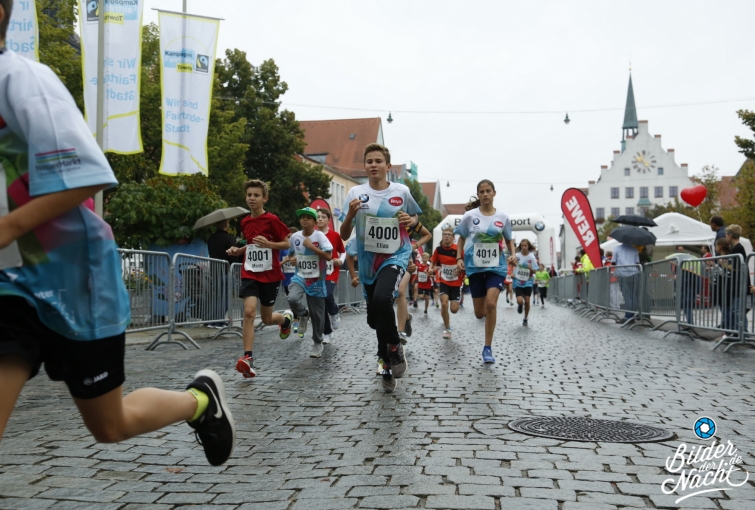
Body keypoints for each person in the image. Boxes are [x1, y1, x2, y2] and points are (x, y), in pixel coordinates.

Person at [0, 3, 235, 466]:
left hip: (75, 281)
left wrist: (6, 228)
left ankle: (200, 401)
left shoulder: (23, 80)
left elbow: (87, 175)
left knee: (111, 425)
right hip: (8, 287)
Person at [340, 143, 421, 393]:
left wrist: (410, 220)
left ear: (388, 165)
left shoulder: (401, 191)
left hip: (396, 255)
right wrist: (350, 216)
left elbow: (416, 217)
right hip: (368, 264)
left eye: (378, 161)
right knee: (376, 319)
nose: (373, 165)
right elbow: (343, 235)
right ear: (364, 166)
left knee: (383, 298)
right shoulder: (355, 193)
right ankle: (385, 364)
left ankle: (394, 347)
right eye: (369, 161)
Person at [226, 180, 293, 378]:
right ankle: (248, 358)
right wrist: (239, 250)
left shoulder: (272, 220)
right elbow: (251, 245)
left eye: (256, 195)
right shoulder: (245, 222)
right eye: (249, 195)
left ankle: (285, 320)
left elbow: (286, 243)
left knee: (266, 318)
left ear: (265, 198)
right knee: (248, 312)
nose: (252, 198)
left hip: (270, 274)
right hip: (250, 272)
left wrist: (269, 244)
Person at [455, 180, 517, 363]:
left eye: (488, 191)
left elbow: (509, 239)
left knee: (491, 304)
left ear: (494, 193)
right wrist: (458, 258)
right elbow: (461, 238)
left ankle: (487, 348)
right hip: (475, 268)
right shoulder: (470, 216)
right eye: (482, 192)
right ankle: (486, 329)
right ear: (478, 195)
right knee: (479, 313)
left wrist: (513, 255)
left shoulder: (503, 217)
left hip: (496, 267)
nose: (485, 194)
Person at [286, 207, 333, 358]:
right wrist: (292, 260)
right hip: (300, 276)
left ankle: (317, 343)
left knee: (318, 315)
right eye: (302, 217)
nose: (304, 219)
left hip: (317, 279)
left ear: (314, 221)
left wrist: (311, 246)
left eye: (308, 217)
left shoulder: (319, 236)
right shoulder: (295, 237)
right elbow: (291, 255)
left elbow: (328, 256)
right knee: (292, 298)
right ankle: (303, 314)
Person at [396, 222, 431, 341]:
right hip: (385, 260)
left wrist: (415, 246)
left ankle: (400, 332)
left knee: (400, 291)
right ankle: (406, 318)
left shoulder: (407, 218)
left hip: (406, 260)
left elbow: (427, 234)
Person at [316, 208, 345, 344]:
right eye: (318, 217)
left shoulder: (334, 235)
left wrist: (341, 260)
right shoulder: (312, 235)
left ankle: (334, 312)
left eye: (323, 217)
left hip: (331, 272)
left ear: (328, 220)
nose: (320, 219)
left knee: (327, 295)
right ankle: (327, 332)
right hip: (316, 273)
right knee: (320, 302)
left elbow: (342, 251)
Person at [206, 219, 242, 328]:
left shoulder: (211, 238)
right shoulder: (229, 238)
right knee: (226, 297)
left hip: (214, 271)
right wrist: (236, 268)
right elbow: (234, 255)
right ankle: (220, 321)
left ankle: (212, 321)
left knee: (216, 297)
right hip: (227, 271)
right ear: (226, 225)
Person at [430, 227, 463, 338]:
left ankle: (447, 310)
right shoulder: (439, 250)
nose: (446, 236)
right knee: (444, 303)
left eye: (449, 234)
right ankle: (447, 329)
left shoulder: (458, 249)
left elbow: (465, 263)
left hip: (456, 282)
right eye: (444, 234)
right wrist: (430, 269)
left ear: (453, 238)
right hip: (444, 280)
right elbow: (433, 261)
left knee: (454, 310)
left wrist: (460, 270)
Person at [725, 225, 751, 333]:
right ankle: (738, 332)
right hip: (737, 285)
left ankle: (743, 332)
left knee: (738, 310)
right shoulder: (735, 248)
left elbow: (738, 267)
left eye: (726, 235)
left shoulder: (738, 248)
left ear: (730, 236)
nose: (726, 237)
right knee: (736, 309)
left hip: (739, 285)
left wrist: (725, 265)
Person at [611, 242, 641, 323]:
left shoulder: (617, 249)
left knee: (626, 295)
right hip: (634, 273)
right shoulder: (635, 249)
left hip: (622, 273)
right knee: (633, 295)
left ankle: (628, 316)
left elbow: (613, 262)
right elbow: (637, 262)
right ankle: (631, 314)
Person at [513, 239, 538, 326]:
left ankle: (525, 318)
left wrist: (531, 269)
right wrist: (512, 273)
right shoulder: (517, 255)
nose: (524, 247)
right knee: (519, 300)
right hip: (518, 281)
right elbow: (512, 265)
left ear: (528, 246)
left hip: (528, 281)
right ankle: (520, 305)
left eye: (525, 246)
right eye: (522, 246)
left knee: (527, 301)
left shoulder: (531, 257)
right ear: (520, 246)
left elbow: (536, 271)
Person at [280, 227, 298, 295]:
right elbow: (277, 265)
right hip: (287, 280)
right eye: (288, 237)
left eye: (292, 237)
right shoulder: (282, 249)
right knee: (290, 299)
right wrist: (285, 261)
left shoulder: (301, 248)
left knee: (296, 298)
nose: (290, 239)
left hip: (299, 280)